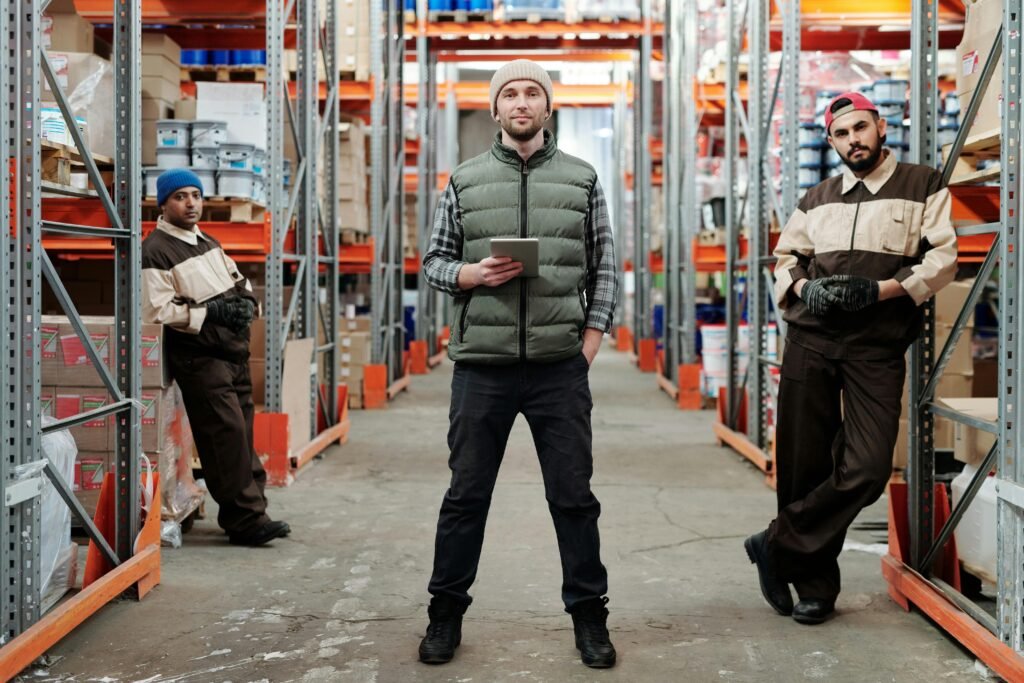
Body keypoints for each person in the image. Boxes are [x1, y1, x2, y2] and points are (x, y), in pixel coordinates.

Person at [418, 60, 618, 668]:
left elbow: (605, 266)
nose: (522, 102)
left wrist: (589, 344)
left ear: (548, 106)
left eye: (533, 92)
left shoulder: (582, 180)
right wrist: (470, 275)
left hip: (560, 368)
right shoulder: (464, 181)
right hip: (483, 367)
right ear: (495, 108)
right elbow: (433, 262)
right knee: (466, 497)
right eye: (511, 93)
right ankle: (444, 618)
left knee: (574, 499)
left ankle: (590, 620)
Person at [745, 92, 958, 624]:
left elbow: (943, 258)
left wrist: (881, 290)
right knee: (803, 465)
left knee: (865, 468)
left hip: (875, 346)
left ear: (881, 127)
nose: (852, 141)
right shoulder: (816, 197)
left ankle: (776, 544)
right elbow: (786, 257)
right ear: (831, 141)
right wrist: (802, 288)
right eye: (841, 134)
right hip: (810, 341)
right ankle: (815, 587)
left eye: (860, 128)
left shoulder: (922, 184)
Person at [141, 169, 290, 547]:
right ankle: (244, 521)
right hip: (200, 357)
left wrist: (245, 302)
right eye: (180, 196)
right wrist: (210, 313)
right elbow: (157, 311)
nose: (190, 203)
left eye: (196, 195)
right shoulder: (156, 249)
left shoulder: (206, 240)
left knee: (242, 433)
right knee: (225, 437)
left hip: (231, 353)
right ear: (163, 203)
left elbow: (237, 279)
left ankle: (254, 509)